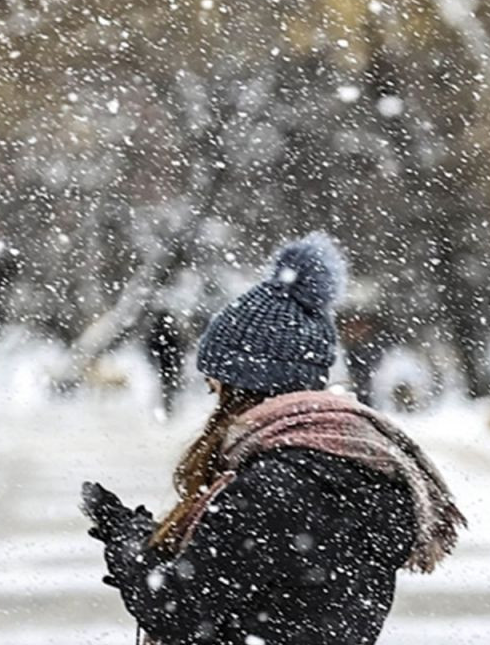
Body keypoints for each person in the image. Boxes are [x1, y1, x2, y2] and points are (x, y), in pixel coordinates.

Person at [81, 234, 465, 645]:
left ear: (248, 384)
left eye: (219, 389)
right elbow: (258, 579)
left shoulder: (274, 486)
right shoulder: (354, 464)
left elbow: (179, 609)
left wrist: (126, 540)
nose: (216, 404)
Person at [145, 309, 186, 417]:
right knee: (170, 387)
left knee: (167, 387)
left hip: (165, 365)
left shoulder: (158, 332)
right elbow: (179, 347)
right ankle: (169, 409)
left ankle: (168, 408)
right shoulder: (171, 332)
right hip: (169, 364)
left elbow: (152, 347)